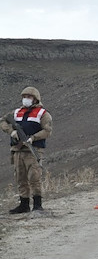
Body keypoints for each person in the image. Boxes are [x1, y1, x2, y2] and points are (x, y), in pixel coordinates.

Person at [0, 86, 53, 214]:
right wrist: (12, 132)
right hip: (18, 150)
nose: (26, 99)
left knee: (34, 177)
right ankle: (24, 204)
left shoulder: (43, 113)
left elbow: (47, 131)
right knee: (20, 177)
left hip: (33, 150)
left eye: (28, 97)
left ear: (35, 99)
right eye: (24, 97)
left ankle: (37, 204)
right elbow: (3, 121)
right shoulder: (17, 112)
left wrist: (33, 138)